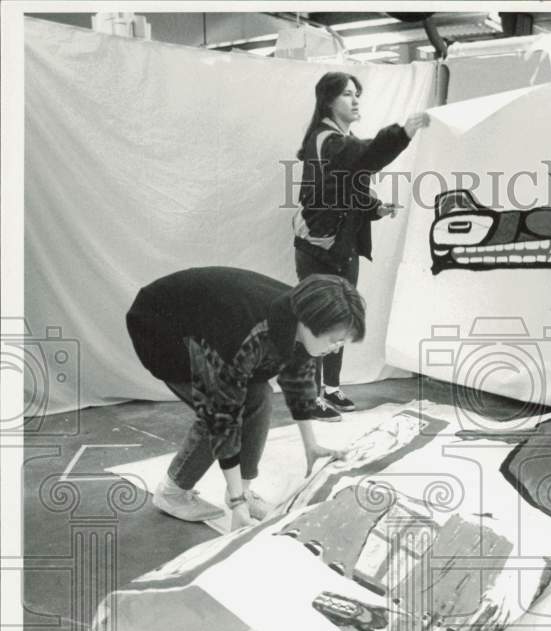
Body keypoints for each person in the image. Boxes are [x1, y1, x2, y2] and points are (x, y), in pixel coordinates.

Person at [125, 268, 365, 529]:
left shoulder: (302, 317)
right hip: (161, 326)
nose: (337, 348)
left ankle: (242, 490)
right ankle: (172, 493)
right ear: (310, 323)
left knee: (259, 394)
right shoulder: (249, 331)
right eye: (335, 340)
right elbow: (221, 415)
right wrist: (238, 505)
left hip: (208, 318)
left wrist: (311, 445)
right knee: (227, 406)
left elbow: (298, 382)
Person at [293, 71, 430, 421]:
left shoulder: (338, 138)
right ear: (327, 101)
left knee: (339, 320)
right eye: (347, 95)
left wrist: (375, 208)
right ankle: (309, 397)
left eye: (358, 94)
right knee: (318, 323)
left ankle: (330, 389)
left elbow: (346, 186)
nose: (355, 101)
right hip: (321, 247)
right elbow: (364, 156)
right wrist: (403, 133)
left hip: (341, 245)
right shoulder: (328, 140)